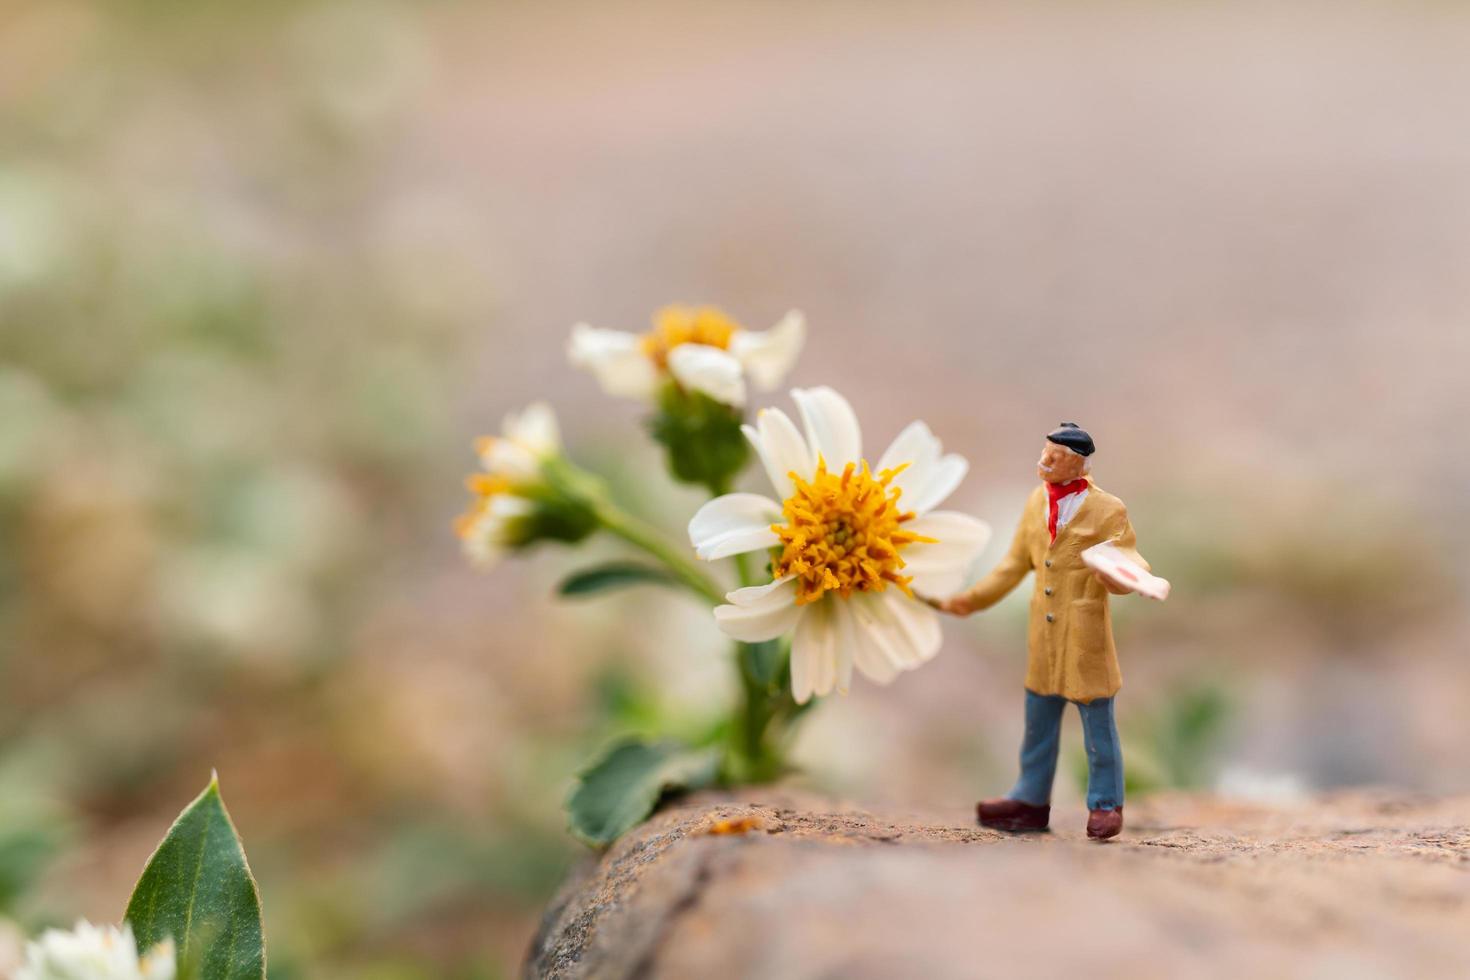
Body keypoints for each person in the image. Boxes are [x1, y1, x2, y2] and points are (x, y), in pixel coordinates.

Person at [933, 423, 1150, 840]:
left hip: (1085, 640)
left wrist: (1119, 581)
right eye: (1044, 452)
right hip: (1044, 639)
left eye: (1054, 456)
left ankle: (1106, 803)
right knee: (1038, 727)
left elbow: (1131, 562)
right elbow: (1014, 563)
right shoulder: (1036, 502)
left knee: (1097, 731)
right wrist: (973, 600)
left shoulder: (1108, 510)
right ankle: (1030, 799)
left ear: (1078, 463)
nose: (1044, 460)